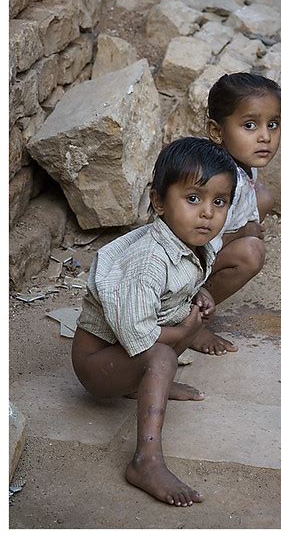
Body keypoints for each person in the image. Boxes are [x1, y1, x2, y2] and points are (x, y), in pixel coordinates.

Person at [71, 137, 237, 507]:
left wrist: (199, 296)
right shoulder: (148, 260)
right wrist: (188, 330)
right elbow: (138, 334)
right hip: (96, 365)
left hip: (124, 350)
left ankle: (145, 384)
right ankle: (145, 461)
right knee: (161, 355)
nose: (207, 213)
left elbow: (175, 292)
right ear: (159, 201)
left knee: (174, 333)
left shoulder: (198, 243)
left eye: (219, 202)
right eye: (193, 198)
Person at [189, 72, 281, 357]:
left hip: (204, 246)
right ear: (217, 132)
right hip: (181, 258)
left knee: (262, 198)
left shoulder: (238, 165)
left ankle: (198, 294)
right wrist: (245, 233)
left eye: (273, 124)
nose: (265, 136)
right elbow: (196, 237)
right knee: (251, 252)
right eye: (250, 125)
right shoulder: (219, 179)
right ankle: (190, 320)